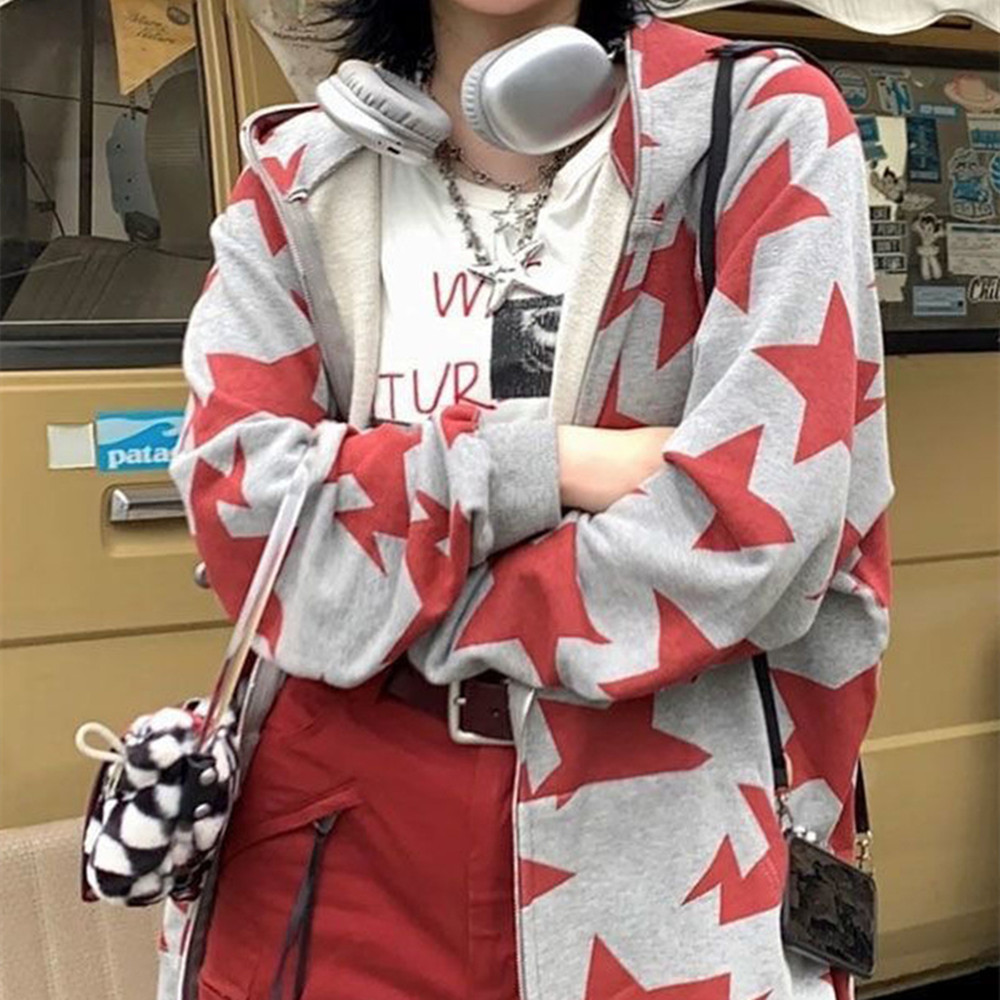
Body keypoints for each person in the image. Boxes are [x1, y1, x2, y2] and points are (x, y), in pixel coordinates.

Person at [168, 1, 895, 999]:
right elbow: (244, 514)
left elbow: (757, 533)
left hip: (666, 852)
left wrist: (386, 581)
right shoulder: (302, 174)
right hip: (327, 838)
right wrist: (549, 463)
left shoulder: (758, 124)